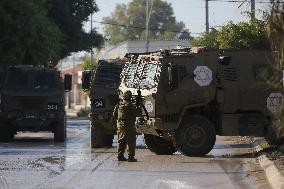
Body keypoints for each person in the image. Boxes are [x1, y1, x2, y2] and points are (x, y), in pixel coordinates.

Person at [113, 90, 140, 162]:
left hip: (120, 125)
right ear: (130, 97)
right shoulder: (129, 105)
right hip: (128, 125)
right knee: (131, 141)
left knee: (121, 140)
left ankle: (120, 156)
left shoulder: (119, 104)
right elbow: (137, 113)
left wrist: (119, 121)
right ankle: (131, 157)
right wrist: (138, 104)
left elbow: (114, 114)